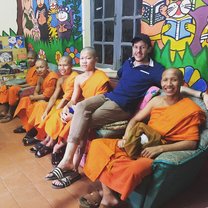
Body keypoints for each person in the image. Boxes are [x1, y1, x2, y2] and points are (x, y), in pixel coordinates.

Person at [46, 33, 208, 188]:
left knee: (81, 120)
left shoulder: (156, 70)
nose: (138, 51)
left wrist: (201, 94)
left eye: (142, 47)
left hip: (121, 106)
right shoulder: (128, 62)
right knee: (81, 108)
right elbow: (120, 75)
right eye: (135, 47)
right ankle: (69, 161)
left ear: (148, 50)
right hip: (109, 96)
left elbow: (173, 85)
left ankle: (71, 166)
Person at [79, 68, 206, 207]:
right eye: (165, 80)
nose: (169, 84)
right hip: (139, 141)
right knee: (98, 145)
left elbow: (191, 143)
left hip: (155, 150)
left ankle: (104, 193)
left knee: (134, 170)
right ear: (161, 82)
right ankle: (108, 196)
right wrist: (127, 137)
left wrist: (160, 148)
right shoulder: (156, 100)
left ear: (182, 83)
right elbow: (135, 120)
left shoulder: (191, 109)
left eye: (174, 80)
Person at [35, 47, 110, 163]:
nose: (84, 61)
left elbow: (99, 103)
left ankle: (57, 147)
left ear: (95, 60)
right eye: (82, 58)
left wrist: (75, 114)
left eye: (88, 58)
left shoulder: (101, 77)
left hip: (91, 110)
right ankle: (52, 142)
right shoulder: (79, 78)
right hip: (79, 106)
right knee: (59, 114)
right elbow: (73, 99)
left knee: (72, 121)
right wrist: (66, 107)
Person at [25, 55, 78, 149]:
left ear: (71, 65)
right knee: (48, 111)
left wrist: (56, 110)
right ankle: (45, 138)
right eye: (60, 65)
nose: (62, 68)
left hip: (72, 103)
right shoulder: (61, 79)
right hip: (62, 101)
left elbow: (67, 98)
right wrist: (46, 112)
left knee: (54, 113)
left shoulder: (75, 77)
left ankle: (50, 141)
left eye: (65, 65)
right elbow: (53, 97)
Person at [13, 59, 59, 145]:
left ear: (47, 67)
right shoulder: (40, 76)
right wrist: (35, 97)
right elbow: (36, 89)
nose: (39, 70)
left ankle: (40, 134)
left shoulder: (52, 77)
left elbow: (47, 96)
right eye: (37, 68)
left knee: (39, 104)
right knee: (25, 100)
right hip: (41, 98)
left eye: (42, 67)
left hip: (51, 101)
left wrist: (35, 97)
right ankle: (28, 126)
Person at [0, 50, 38, 124]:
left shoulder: (37, 68)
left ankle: (10, 114)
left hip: (31, 88)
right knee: (4, 87)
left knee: (13, 89)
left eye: (32, 58)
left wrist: (19, 85)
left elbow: (32, 84)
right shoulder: (30, 68)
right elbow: (26, 80)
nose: (30, 60)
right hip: (25, 85)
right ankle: (5, 110)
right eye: (28, 58)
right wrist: (13, 84)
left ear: (36, 58)